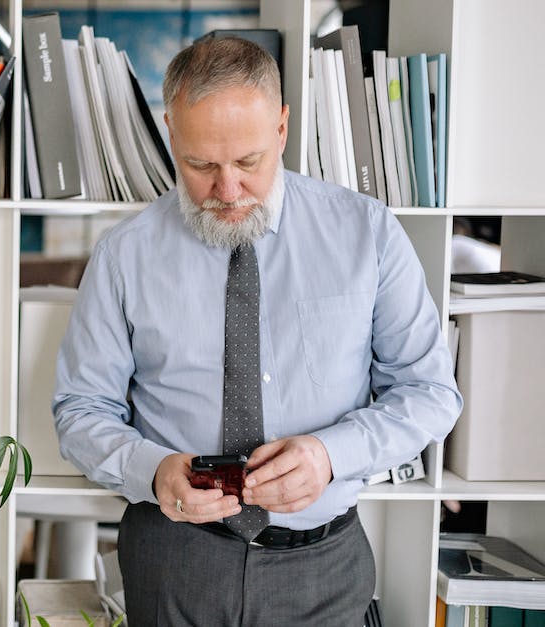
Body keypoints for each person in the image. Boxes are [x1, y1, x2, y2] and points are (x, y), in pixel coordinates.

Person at [52, 36, 462, 626]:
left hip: (324, 565)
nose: (228, 191)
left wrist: (328, 455)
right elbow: (79, 410)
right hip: (173, 557)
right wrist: (153, 470)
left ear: (282, 128)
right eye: (200, 165)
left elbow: (431, 393)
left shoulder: (367, 234)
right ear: (172, 132)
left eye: (248, 162)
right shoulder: (124, 255)